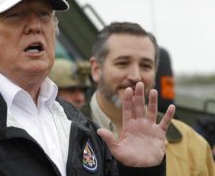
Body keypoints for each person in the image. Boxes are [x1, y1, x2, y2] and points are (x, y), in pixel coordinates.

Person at [0, 0, 175, 175]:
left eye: (43, 14)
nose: (34, 26)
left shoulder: (74, 122)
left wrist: (140, 171)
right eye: (15, 15)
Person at [82, 22, 215, 176]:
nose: (135, 76)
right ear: (96, 70)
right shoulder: (63, 132)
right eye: (122, 63)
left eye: (146, 66)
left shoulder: (191, 145)